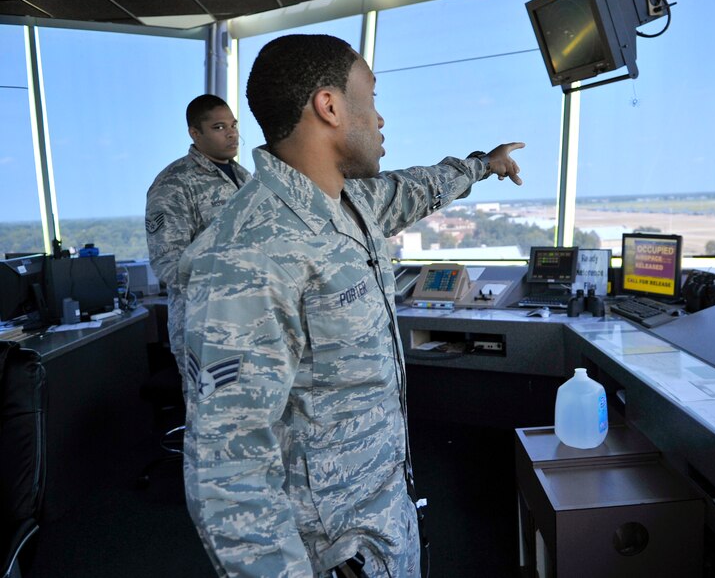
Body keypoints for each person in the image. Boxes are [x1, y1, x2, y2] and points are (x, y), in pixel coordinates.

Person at [180, 33, 524, 577]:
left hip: (382, 518)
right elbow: (228, 473)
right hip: (328, 549)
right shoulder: (247, 253)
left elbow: (420, 185)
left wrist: (484, 164)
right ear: (330, 106)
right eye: (372, 97)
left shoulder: (349, 204)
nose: (380, 118)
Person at [145, 94, 251, 381]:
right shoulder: (173, 183)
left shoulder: (245, 178)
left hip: (251, 321)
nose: (231, 133)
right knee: (210, 420)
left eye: (233, 125)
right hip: (206, 328)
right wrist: (232, 279)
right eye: (219, 127)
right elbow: (168, 263)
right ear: (195, 133)